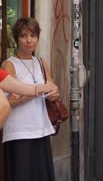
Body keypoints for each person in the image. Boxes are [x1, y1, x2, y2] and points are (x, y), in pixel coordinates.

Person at [2, 17, 61, 181]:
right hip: (19, 131)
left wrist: (53, 94)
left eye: (33, 35)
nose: (29, 40)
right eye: (23, 36)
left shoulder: (41, 62)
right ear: (17, 39)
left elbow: (52, 89)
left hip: (41, 129)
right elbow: (8, 102)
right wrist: (37, 91)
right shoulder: (9, 65)